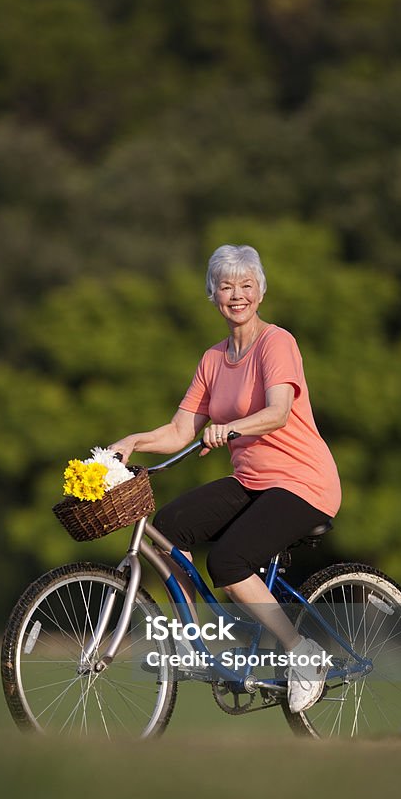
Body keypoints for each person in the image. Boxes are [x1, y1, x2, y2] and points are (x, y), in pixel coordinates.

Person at [109, 244, 341, 713]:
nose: (237, 295)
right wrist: (132, 441)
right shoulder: (213, 359)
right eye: (226, 286)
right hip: (252, 480)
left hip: (302, 481)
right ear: (213, 295)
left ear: (260, 292)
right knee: (169, 528)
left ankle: (303, 654)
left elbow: (277, 412)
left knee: (229, 564)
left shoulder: (278, 343)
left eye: (246, 285)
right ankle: (193, 642)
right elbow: (179, 431)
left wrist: (233, 426)